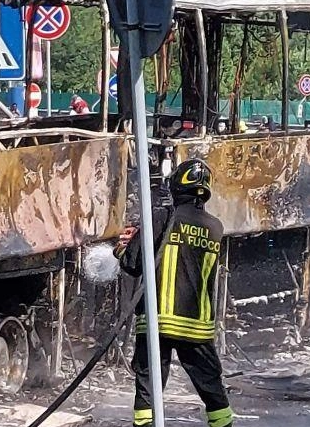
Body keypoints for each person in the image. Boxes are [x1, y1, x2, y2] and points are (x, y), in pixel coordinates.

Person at [113, 159, 234, 427]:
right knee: (213, 390)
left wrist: (122, 247)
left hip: (157, 321)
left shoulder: (162, 218)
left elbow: (133, 264)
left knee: (148, 389)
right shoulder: (216, 228)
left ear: (177, 187)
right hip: (197, 324)